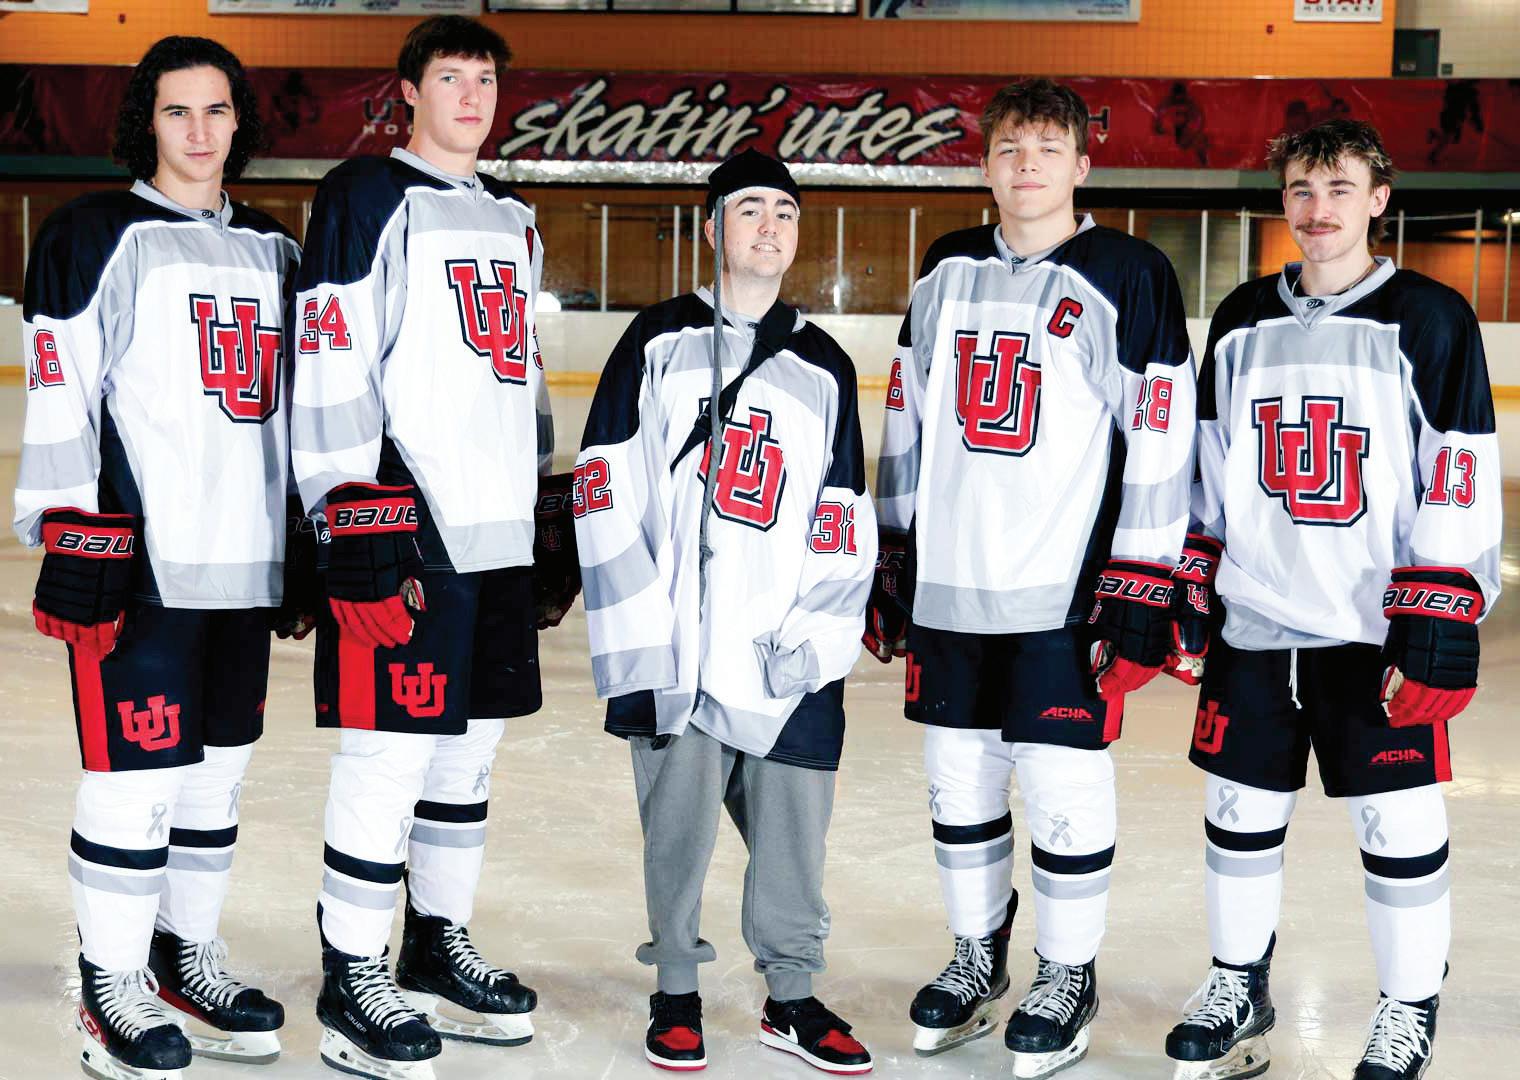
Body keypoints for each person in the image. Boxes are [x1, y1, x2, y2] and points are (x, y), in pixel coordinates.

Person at [869, 78, 1196, 1078]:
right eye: (1009, 148)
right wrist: (891, 544)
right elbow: (905, 411)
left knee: (1060, 785)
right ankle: (976, 953)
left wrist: (1144, 575)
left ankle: (1066, 972)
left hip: (1066, 591)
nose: (1026, 166)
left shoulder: (1127, 272)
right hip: (951, 588)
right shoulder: (946, 265)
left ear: (1082, 166)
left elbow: (1160, 433)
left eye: (1048, 150)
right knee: (957, 781)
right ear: (984, 164)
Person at [1163, 119, 1498, 1080]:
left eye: (1340, 189)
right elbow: (1209, 465)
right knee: (1238, 811)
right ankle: (1238, 986)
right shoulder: (1240, 318)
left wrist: (1441, 605)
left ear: (1378, 200)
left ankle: (1408, 1007)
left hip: (1372, 628)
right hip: (1255, 622)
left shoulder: (1430, 317)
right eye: (1302, 190)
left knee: (1397, 822)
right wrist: (1190, 576)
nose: (1318, 209)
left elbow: (1460, 465)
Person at [13, 35, 301, 1079]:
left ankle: (186, 958)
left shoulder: (276, 249)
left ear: (239, 122)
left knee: (215, 783)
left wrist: (308, 537)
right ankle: (113, 982)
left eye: (217, 109)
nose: (199, 130)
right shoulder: (94, 232)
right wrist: (66, 524)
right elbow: (60, 384)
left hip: (245, 563)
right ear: (148, 122)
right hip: (142, 562)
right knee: (134, 780)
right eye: (177, 110)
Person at [291, 15, 572, 1080]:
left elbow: (520, 373)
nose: (470, 95)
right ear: (407, 92)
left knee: (468, 753)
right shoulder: (366, 195)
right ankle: (352, 971)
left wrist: (541, 506)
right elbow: (330, 352)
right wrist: (346, 512)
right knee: (388, 755)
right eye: (449, 77)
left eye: (484, 79)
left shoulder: (512, 215)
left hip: (496, 533)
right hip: (408, 523)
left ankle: (433, 945)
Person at [574, 149, 876, 1075]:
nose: (769, 226)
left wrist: (815, 639)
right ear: (712, 228)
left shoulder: (825, 364)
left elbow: (843, 515)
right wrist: (639, 628)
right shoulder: (656, 340)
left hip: (782, 648)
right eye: (749, 209)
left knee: (794, 837)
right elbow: (603, 484)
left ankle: (792, 995)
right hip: (678, 648)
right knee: (678, 833)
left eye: (784, 211)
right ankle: (675, 988)